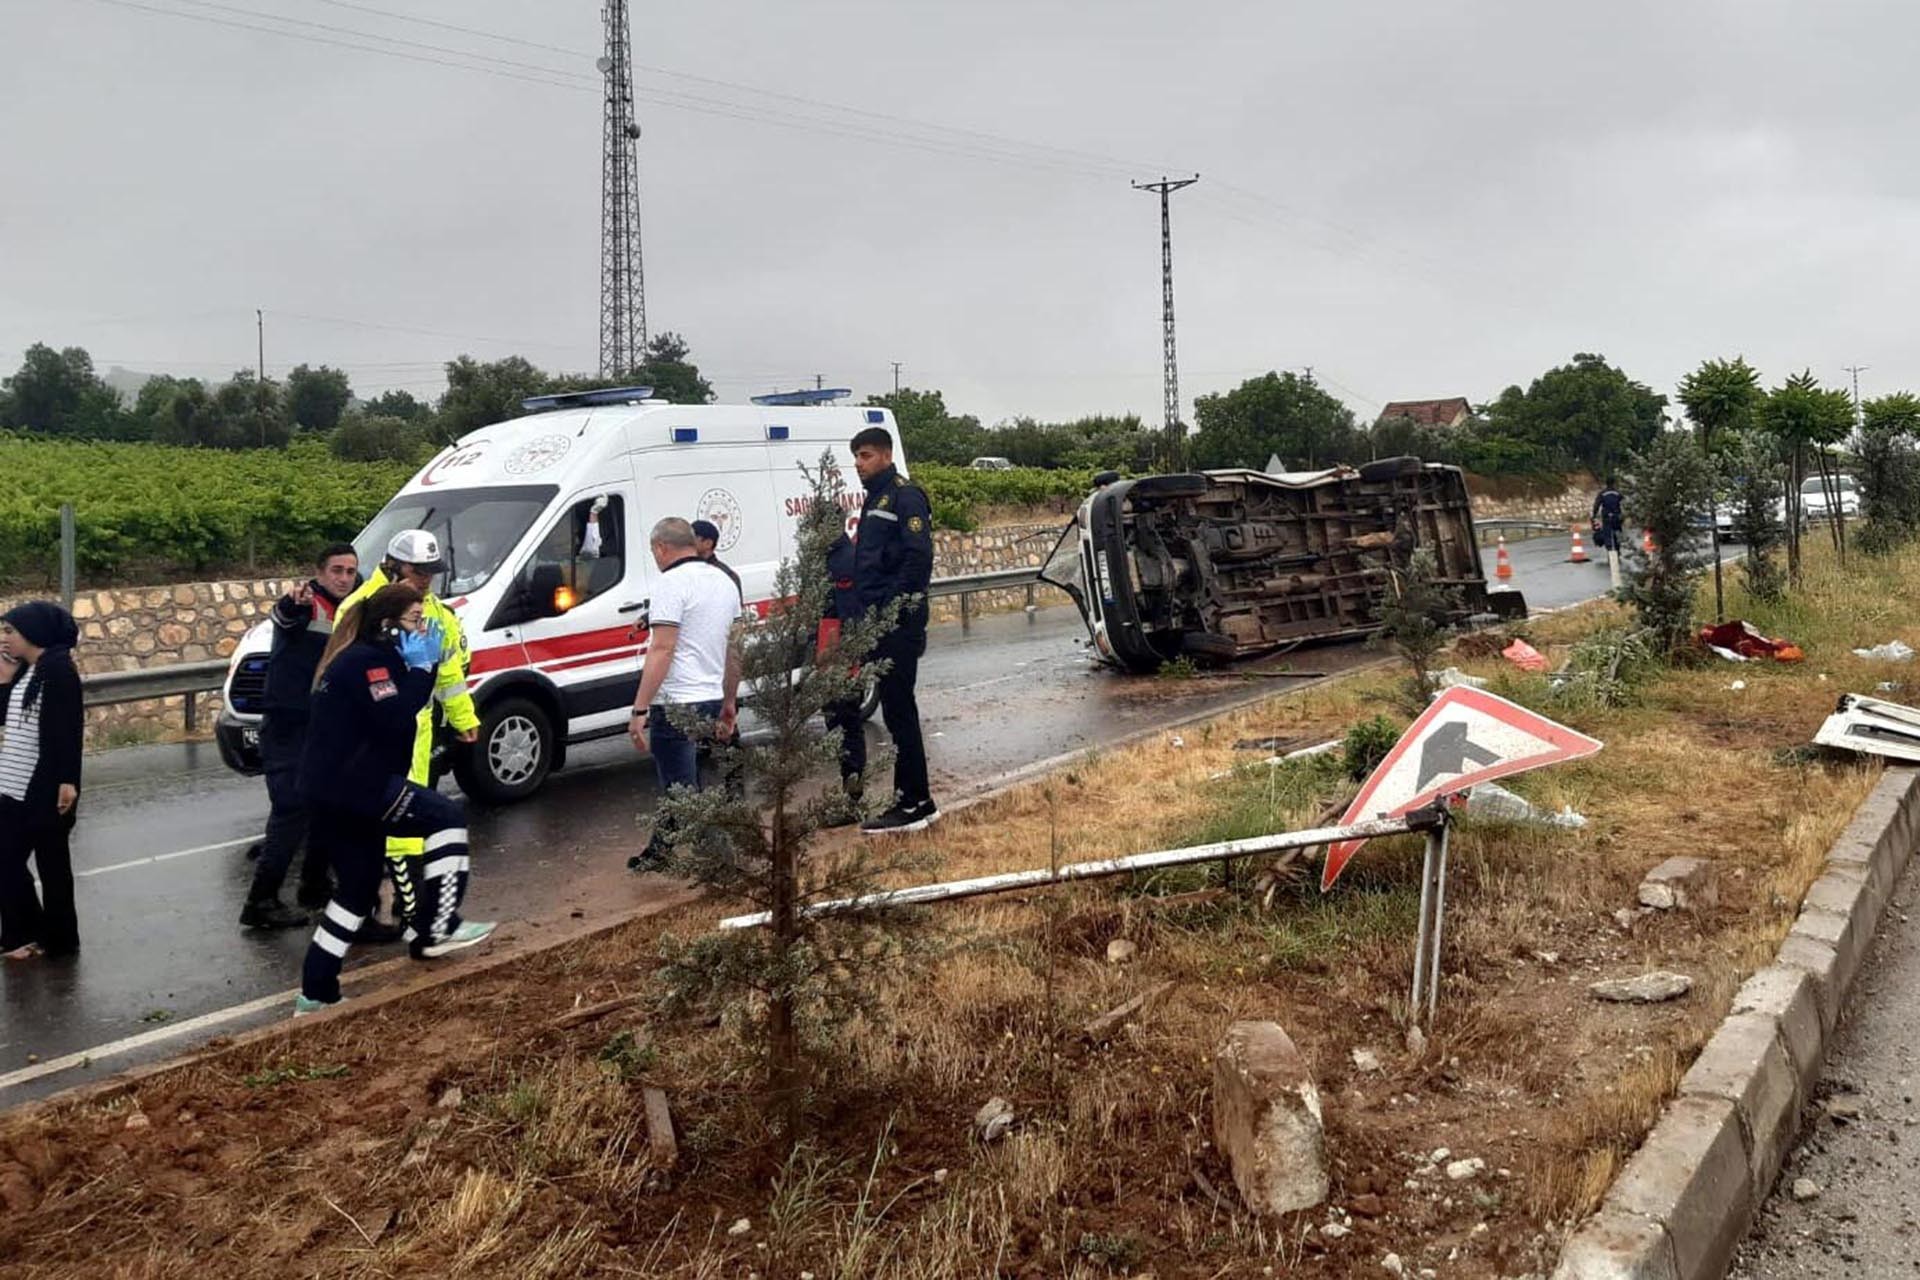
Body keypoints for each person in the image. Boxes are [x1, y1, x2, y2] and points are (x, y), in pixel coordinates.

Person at [295, 585, 494, 1014]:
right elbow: (394, 716)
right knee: (445, 816)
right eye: (414, 621)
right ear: (388, 626)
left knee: (357, 889)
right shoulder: (367, 662)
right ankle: (436, 927)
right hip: (355, 786)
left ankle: (316, 992)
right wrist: (422, 669)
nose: (423, 628)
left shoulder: (375, 660)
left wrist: (425, 666)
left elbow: (401, 704)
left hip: (332, 790)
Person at [338, 530, 480, 931]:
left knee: (412, 815)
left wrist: (463, 717)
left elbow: (449, 672)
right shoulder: (360, 606)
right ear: (394, 565)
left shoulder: (434, 611)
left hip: (418, 727)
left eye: (432, 572)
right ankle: (412, 913)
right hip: (374, 730)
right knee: (392, 817)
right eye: (419, 571)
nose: (426, 579)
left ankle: (401, 907)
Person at [240, 542, 360, 930]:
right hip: (288, 727)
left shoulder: (350, 609)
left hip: (321, 726)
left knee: (328, 805)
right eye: (336, 570)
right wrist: (292, 603)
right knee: (290, 812)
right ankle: (261, 901)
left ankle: (314, 885)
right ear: (320, 573)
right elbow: (284, 616)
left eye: (349, 571)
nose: (343, 577)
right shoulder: (305, 603)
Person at [627, 517, 743, 871]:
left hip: (677, 700)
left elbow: (662, 648)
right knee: (680, 781)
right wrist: (728, 700)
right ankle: (660, 850)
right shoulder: (723, 581)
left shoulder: (670, 583)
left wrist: (640, 708)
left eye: (654, 552)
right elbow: (736, 647)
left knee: (683, 788)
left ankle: (725, 864)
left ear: (661, 548)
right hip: (709, 695)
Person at [848, 426, 939, 833]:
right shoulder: (876, 499)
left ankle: (914, 802)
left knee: (900, 711)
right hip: (878, 622)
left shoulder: (905, 496)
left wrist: (892, 609)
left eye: (865, 456)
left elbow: (918, 559)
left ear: (885, 455)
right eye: (856, 456)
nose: (858, 464)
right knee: (895, 708)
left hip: (897, 623)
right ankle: (912, 797)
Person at [0, 602, 84, 960]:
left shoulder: (58, 672)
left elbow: (68, 729)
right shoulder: (26, 673)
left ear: (32, 634)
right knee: (5, 860)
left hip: (44, 785)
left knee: (53, 868)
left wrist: (67, 780)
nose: (4, 638)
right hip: (11, 784)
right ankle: (26, 933)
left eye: (9, 631)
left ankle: (59, 941)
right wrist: (4, 677)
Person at [818, 531, 867, 826]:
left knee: (847, 728)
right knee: (836, 727)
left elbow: (850, 615)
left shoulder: (845, 559)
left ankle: (852, 799)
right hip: (828, 652)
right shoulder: (825, 558)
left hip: (841, 655)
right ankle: (848, 794)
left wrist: (846, 661)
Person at [690, 518, 743, 599]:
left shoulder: (726, 575)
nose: (688, 543)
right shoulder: (686, 570)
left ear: (708, 543)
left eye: (693, 539)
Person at [1592, 478, 1625, 558]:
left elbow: (1597, 505)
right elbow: (1624, 503)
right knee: (1617, 532)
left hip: (1607, 516)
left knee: (1607, 533)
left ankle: (1610, 551)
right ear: (1614, 483)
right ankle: (1617, 549)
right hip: (1617, 516)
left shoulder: (1602, 493)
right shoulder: (1618, 493)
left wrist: (1594, 515)